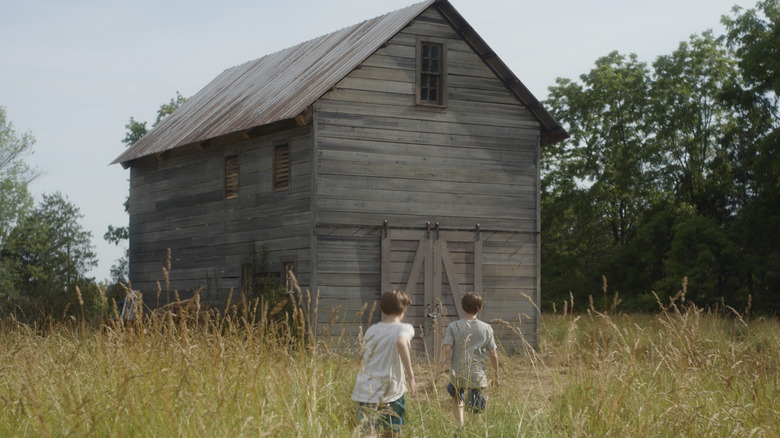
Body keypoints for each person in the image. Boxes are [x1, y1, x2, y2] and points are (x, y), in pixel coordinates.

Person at [351, 290, 417, 437]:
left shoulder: (371, 330)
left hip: (366, 389)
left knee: (368, 431)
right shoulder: (405, 328)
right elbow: (401, 342)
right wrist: (411, 376)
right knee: (392, 430)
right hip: (391, 389)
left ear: (381, 309)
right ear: (404, 309)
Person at [433, 292, 499, 428]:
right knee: (476, 409)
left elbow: (446, 350)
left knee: (457, 399)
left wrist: (436, 373)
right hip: (477, 374)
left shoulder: (453, 326)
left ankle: (460, 427)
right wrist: (496, 375)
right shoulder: (487, 328)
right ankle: (476, 431)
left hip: (458, 372)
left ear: (462, 307)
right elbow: (493, 355)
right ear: (480, 308)